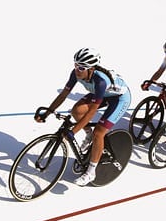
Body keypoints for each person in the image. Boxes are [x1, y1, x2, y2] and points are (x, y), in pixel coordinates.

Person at [35, 48, 131, 186]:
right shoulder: (75, 74)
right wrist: (48, 112)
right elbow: (63, 95)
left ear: (91, 69)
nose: (77, 70)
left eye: (81, 67)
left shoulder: (100, 81)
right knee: (77, 111)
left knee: (99, 132)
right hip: (103, 95)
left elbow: (92, 112)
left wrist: (73, 132)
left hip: (120, 98)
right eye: (75, 65)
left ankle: (91, 172)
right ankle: (88, 135)